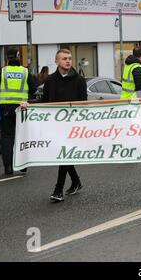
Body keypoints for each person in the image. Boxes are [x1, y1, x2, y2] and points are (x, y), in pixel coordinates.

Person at [42, 49, 87, 202]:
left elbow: (84, 104)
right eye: (64, 59)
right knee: (63, 154)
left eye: (69, 58)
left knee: (64, 154)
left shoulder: (79, 80)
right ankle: (76, 181)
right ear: (57, 62)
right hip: (55, 124)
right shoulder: (50, 80)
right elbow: (44, 101)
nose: (68, 61)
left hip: (72, 125)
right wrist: (28, 105)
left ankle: (58, 190)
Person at [0, 49, 37, 175]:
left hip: (5, 109)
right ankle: (23, 165)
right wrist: (26, 98)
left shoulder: (2, 71)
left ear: (7, 58)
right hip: (21, 108)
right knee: (22, 136)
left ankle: (8, 167)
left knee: (7, 137)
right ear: (18, 57)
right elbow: (34, 88)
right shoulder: (25, 71)